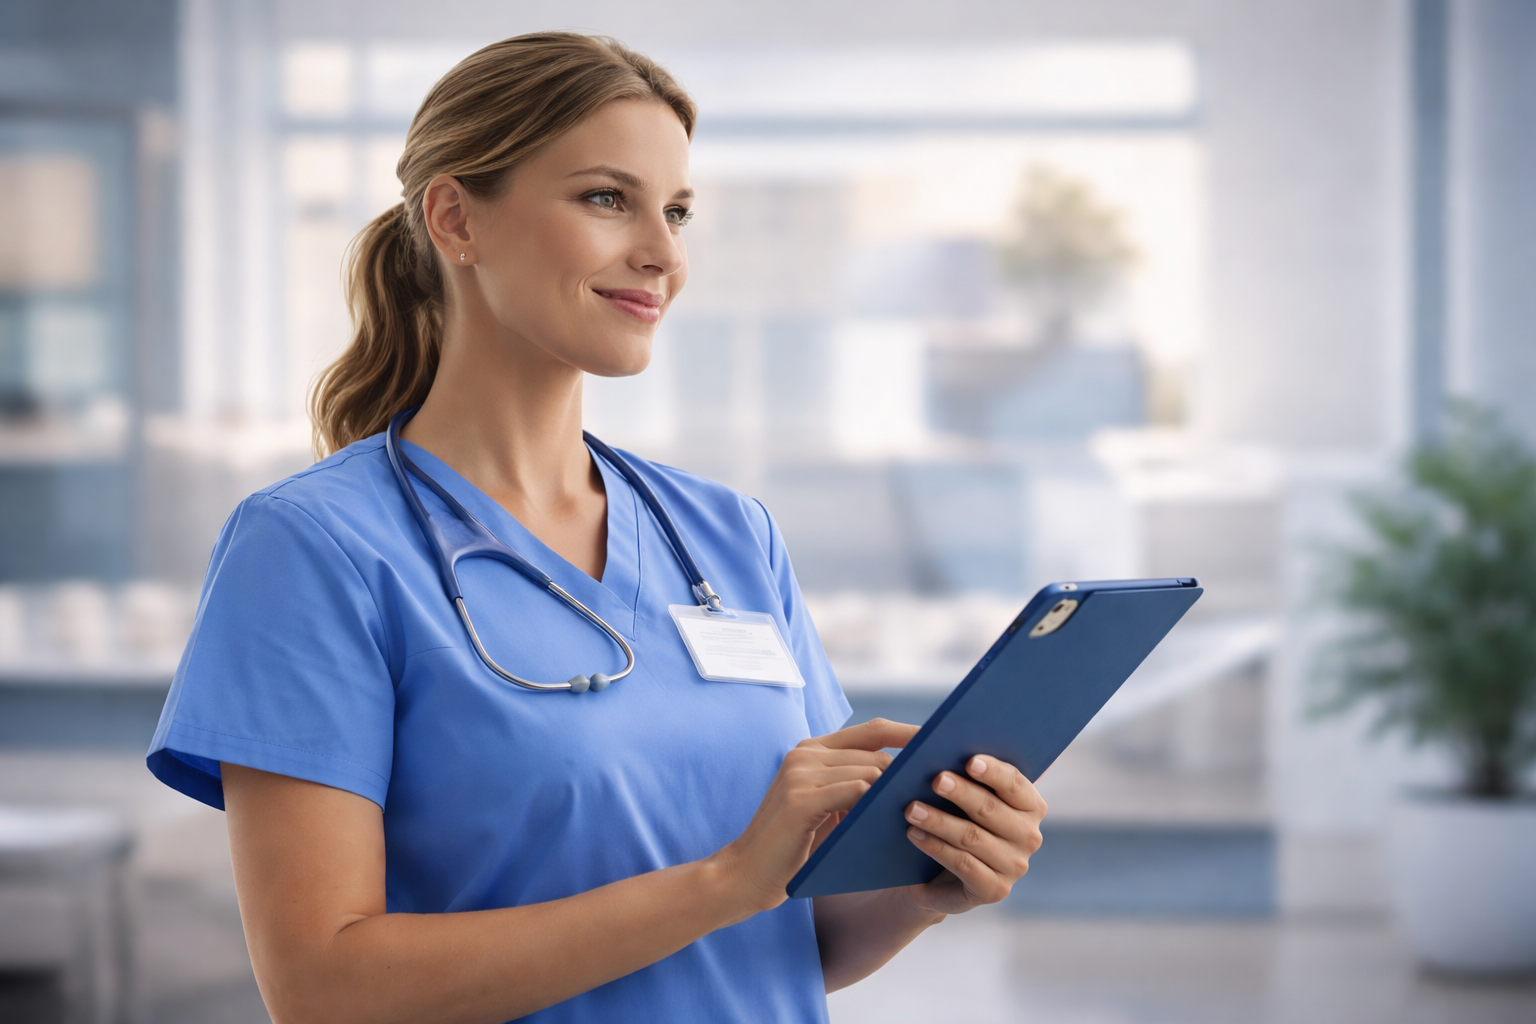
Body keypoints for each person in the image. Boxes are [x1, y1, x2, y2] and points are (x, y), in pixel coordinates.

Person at [146, 32, 1046, 1024]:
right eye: (606, 198)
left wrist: (922, 890)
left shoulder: (728, 533)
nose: (663, 253)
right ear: (456, 219)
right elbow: (325, 989)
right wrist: (722, 881)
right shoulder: (316, 550)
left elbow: (797, 931)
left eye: (678, 210)